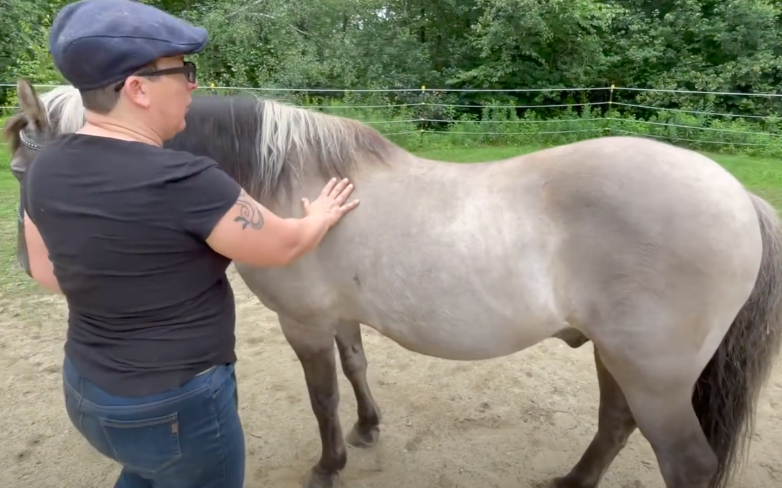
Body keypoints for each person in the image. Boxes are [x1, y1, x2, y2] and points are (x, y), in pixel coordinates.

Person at [21, 0, 360, 487]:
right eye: (183, 72)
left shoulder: (45, 166)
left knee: (143, 476)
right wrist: (320, 215)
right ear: (137, 89)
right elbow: (283, 246)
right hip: (176, 408)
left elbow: (46, 272)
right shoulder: (187, 181)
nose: (193, 85)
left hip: (87, 392)